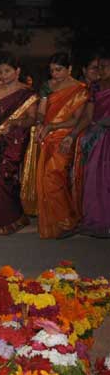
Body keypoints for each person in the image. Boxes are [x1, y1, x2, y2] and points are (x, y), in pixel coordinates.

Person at [0, 56, 37, 236]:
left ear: (17, 71)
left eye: (8, 71)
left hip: (16, 139)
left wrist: (16, 123)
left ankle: (13, 217)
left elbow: (32, 118)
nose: (4, 75)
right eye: (1, 72)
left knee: (7, 176)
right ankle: (1, 220)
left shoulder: (27, 93)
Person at [35, 52, 89, 239]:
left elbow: (76, 120)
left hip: (65, 136)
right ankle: (56, 224)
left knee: (54, 177)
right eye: (52, 70)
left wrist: (52, 126)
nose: (55, 74)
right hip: (47, 136)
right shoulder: (47, 86)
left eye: (59, 70)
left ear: (70, 69)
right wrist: (41, 123)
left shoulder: (79, 89)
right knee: (45, 178)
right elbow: (41, 111)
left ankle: (67, 221)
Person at [77, 52, 110, 237]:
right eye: (98, 67)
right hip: (97, 138)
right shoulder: (95, 88)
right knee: (92, 178)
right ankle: (96, 221)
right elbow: (88, 116)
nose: (100, 70)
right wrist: (74, 135)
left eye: (104, 66)